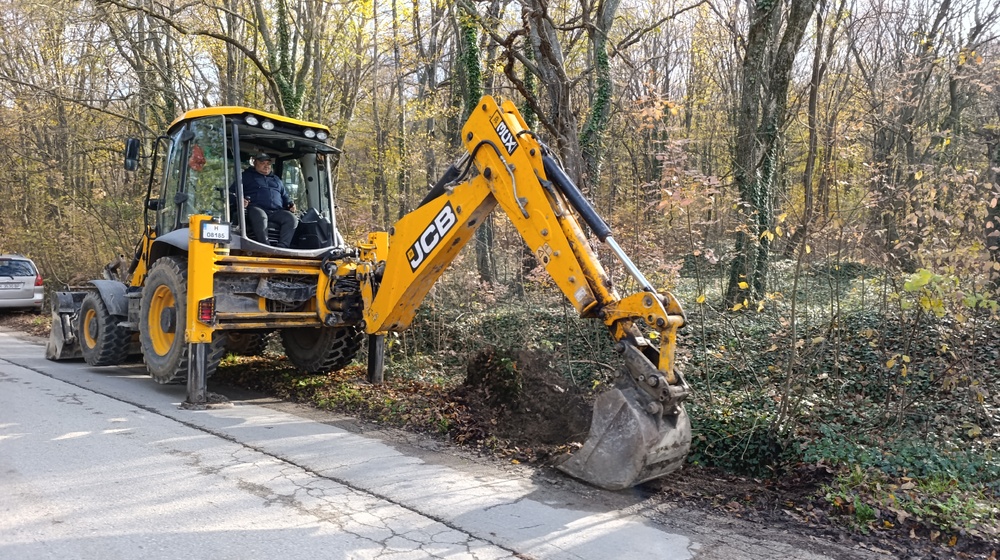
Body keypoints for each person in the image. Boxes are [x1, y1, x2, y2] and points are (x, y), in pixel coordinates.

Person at [238, 153, 297, 248]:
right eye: (262, 163)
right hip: (256, 208)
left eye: (268, 164)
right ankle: (265, 246)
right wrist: (241, 200)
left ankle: (282, 247)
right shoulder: (245, 177)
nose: (266, 166)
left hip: (276, 211)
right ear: (255, 163)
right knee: (261, 217)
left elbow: (284, 196)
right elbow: (232, 193)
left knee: (291, 218)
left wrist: (290, 204)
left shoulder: (276, 180)